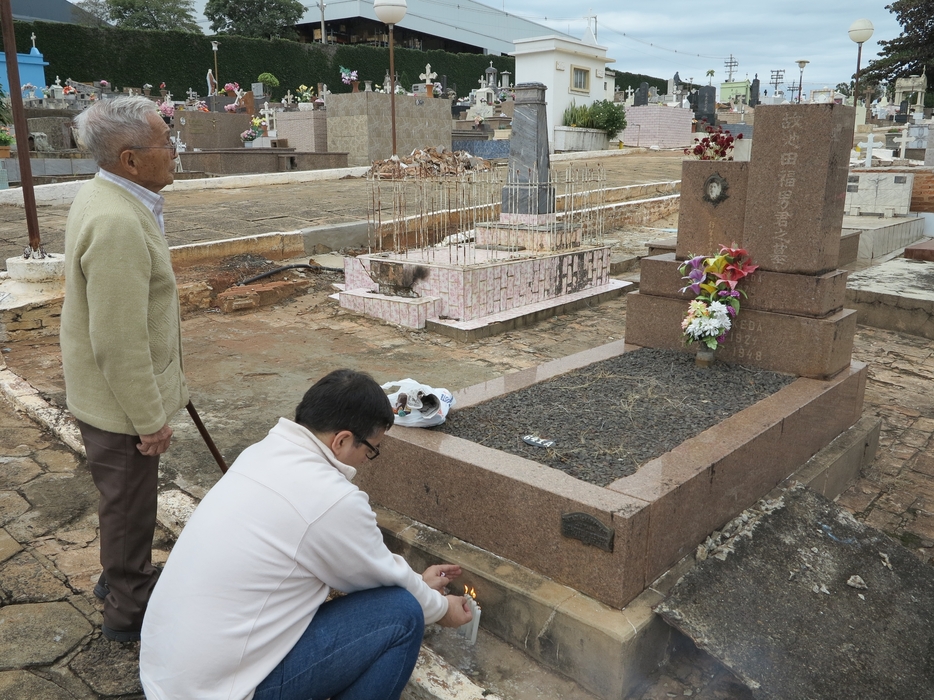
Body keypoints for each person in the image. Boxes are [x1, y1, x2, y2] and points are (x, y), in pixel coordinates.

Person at [140, 369, 472, 700]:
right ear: (341, 440)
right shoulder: (330, 497)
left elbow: (377, 569)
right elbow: (385, 577)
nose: (367, 461)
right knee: (403, 615)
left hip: (166, 678)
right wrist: (443, 610)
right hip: (218, 692)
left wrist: (418, 583)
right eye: (371, 449)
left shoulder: (259, 454)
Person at [62, 96, 186, 642]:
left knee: (124, 502)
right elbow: (117, 338)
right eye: (166, 142)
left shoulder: (111, 194)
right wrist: (149, 417)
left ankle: (120, 578)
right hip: (120, 405)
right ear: (131, 159)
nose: (175, 151)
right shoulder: (117, 221)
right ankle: (128, 612)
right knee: (132, 509)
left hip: (109, 394)